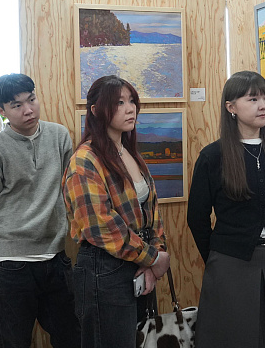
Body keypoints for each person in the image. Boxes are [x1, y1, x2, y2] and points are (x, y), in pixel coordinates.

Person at [187, 71, 265, 348]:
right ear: (231, 107)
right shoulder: (213, 156)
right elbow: (197, 218)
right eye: (253, 99)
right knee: (233, 336)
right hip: (230, 262)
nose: (263, 106)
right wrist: (219, 256)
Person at [0, 74, 80, 348]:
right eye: (17, 105)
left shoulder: (59, 135)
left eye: (31, 100)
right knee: (13, 342)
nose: (28, 110)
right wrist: (10, 239)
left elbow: (69, 189)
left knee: (72, 338)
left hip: (56, 257)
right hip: (12, 264)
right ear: (2, 111)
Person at [62, 75, 169, 347]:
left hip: (138, 263)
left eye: (131, 101)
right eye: (119, 103)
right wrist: (152, 258)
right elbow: (100, 226)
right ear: (96, 110)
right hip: (105, 269)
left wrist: (153, 257)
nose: (130, 108)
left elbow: (152, 211)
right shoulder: (85, 159)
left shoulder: (130, 152)